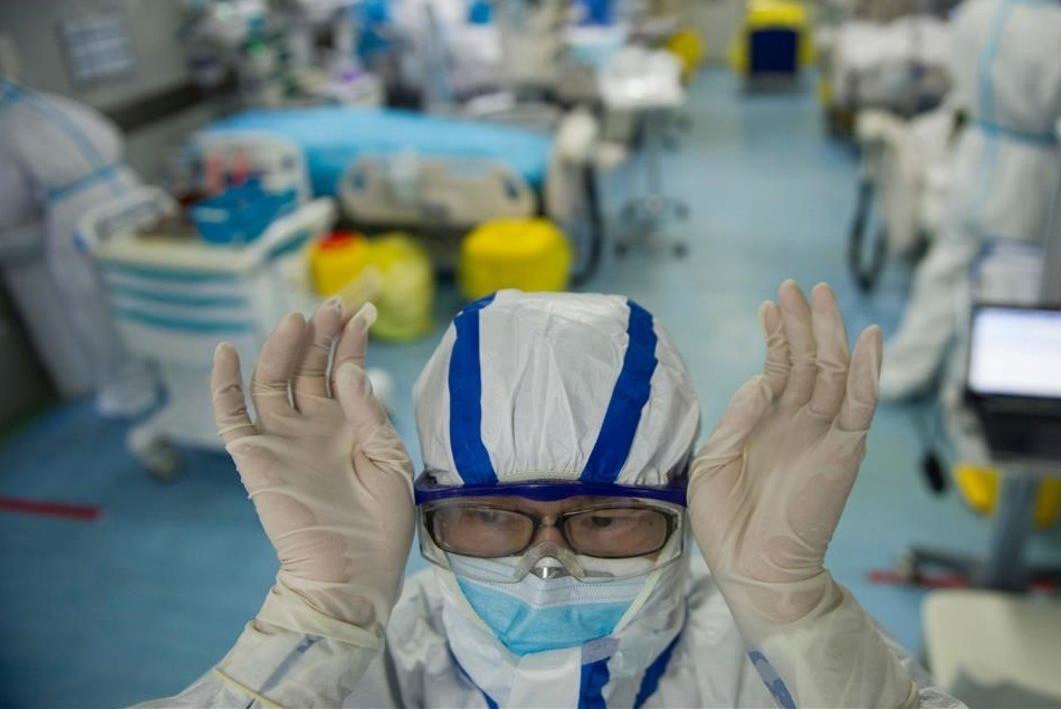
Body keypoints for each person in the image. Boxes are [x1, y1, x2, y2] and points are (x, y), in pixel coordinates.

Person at [148, 286, 962, 707]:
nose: (547, 568)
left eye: (605, 517)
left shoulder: (773, 658)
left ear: (683, 509)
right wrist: (315, 615)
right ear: (427, 511)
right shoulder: (371, 659)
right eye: (492, 515)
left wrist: (798, 612)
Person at [879, 0, 1061, 399]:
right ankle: (963, 396)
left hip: (974, 153)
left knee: (944, 267)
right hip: (1030, 169)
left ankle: (899, 374)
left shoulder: (976, 11)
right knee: (1003, 285)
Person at [0, 75, 156, 417]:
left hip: (78, 215)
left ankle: (132, 392)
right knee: (148, 289)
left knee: (94, 307)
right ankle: (179, 364)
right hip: (127, 191)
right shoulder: (53, 102)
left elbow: (8, 210)